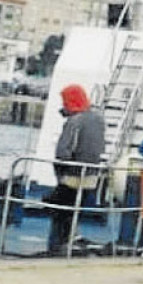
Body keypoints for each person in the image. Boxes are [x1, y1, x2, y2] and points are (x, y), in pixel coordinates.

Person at [46, 84, 106, 254]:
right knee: (73, 212)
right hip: (91, 178)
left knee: (59, 212)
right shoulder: (98, 120)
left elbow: (63, 151)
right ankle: (69, 243)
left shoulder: (75, 121)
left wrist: (60, 171)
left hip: (71, 177)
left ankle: (56, 248)